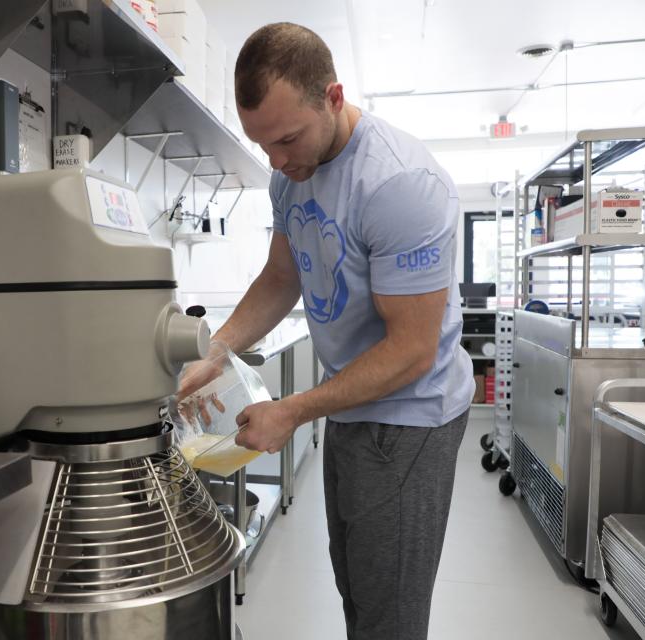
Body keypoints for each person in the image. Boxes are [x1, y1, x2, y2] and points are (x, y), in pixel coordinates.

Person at [183, 22, 474, 640]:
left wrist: (290, 411)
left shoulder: (399, 185)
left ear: (333, 98)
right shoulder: (289, 173)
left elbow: (412, 351)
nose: (279, 162)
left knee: (388, 609)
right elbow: (280, 275)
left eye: (287, 139)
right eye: (264, 146)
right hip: (351, 402)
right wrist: (215, 352)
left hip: (410, 416)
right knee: (357, 587)